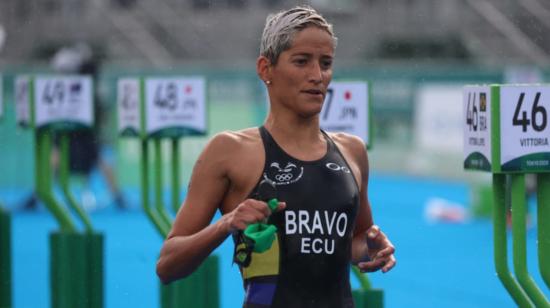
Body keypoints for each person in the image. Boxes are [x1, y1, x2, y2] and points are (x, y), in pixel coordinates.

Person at [156, 6, 396, 307]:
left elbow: (353, 242)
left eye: (326, 63)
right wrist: (227, 223)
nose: (317, 76)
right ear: (265, 69)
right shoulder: (229, 151)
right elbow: (167, 265)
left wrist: (371, 249)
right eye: (301, 61)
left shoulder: (352, 151)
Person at [22, 43, 126, 211]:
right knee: (56, 158)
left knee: (100, 159)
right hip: (70, 131)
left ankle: (119, 196)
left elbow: (99, 116)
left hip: (85, 134)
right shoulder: (74, 87)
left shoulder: (89, 87)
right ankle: (37, 194)